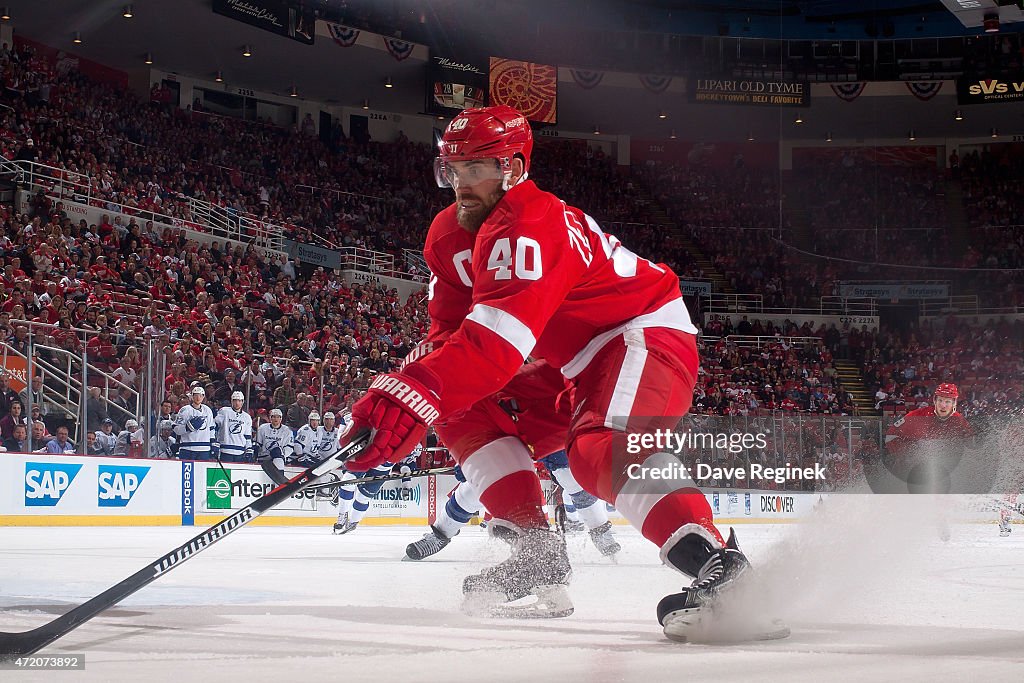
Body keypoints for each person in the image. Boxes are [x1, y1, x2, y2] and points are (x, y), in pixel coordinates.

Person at [338, 106, 780, 640]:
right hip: (564, 362)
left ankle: (718, 566)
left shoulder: (530, 220)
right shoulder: (448, 235)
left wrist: (409, 392)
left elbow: (494, 347)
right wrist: (409, 385)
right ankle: (536, 552)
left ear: (515, 168)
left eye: (477, 170)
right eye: (453, 171)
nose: (462, 185)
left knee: (601, 449)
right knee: (455, 403)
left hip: (638, 333)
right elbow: (452, 338)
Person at [174, 385, 216, 460]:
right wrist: (187, 427)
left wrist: (213, 443)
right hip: (187, 449)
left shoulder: (208, 410)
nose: (198, 398)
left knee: (201, 471)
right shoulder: (185, 410)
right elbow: (176, 429)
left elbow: (211, 428)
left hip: (204, 449)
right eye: (196, 395)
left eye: (200, 395)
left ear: (203, 397)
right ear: (192, 397)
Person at [254, 408, 294, 484]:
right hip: (265, 459)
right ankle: (280, 485)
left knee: (277, 455)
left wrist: (281, 454)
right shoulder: (263, 428)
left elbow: (290, 447)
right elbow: (258, 444)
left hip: (279, 459)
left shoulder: (287, 431)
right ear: (270, 418)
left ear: (281, 419)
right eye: (273, 416)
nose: (276, 419)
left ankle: (280, 484)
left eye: (278, 417)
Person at [214, 391, 253, 462]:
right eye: (235, 400)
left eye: (239, 401)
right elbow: (215, 427)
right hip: (225, 450)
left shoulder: (247, 417)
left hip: (240, 451)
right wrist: (215, 443)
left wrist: (248, 449)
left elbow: (247, 436)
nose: (237, 403)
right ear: (231, 401)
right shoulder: (224, 411)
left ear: (242, 402)